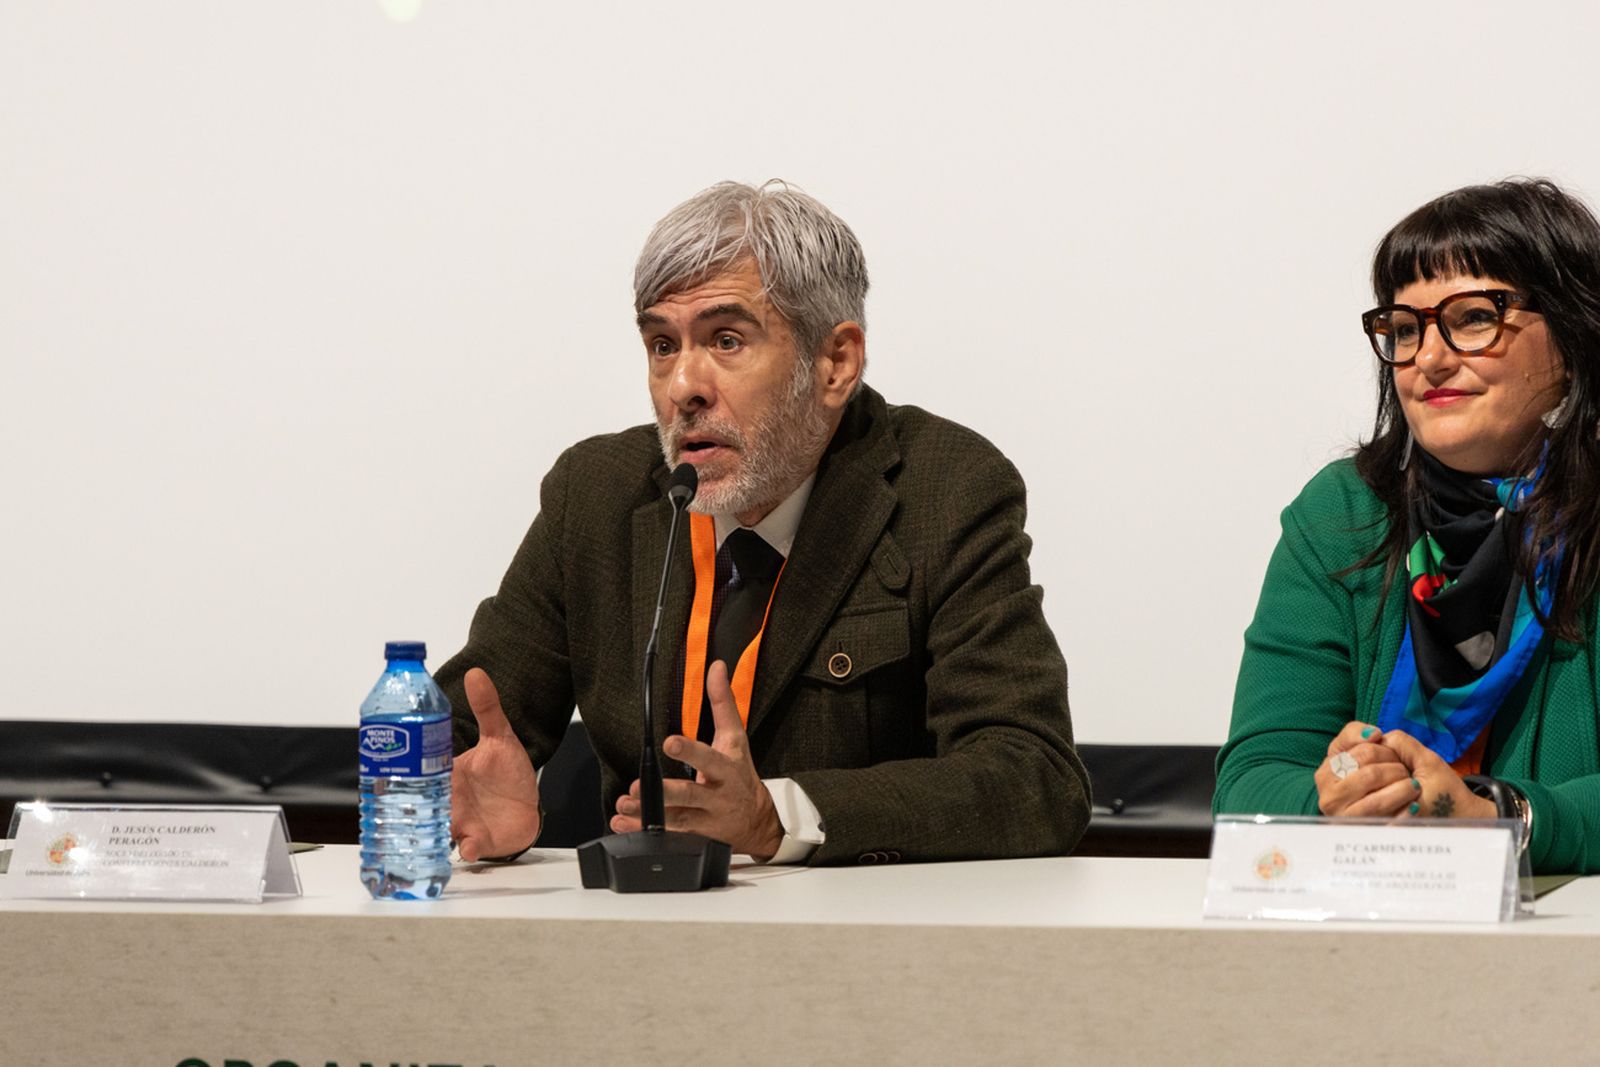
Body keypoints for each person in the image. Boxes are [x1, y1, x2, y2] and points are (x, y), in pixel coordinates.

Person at [439, 180, 1089, 866]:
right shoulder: (597, 495)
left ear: (835, 363)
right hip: (641, 920)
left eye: (726, 340)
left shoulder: (944, 490)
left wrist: (778, 816)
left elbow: (1035, 776)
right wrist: (453, 796)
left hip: (860, 922)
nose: (683, 386)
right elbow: (462, 731)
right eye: (662, 345)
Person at [1214, 178, 1600, 874]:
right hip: (1380, 916)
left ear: (1572, 337)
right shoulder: (1345, 511)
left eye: (1474, 318)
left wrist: (1504, 816)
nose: (1429, 358)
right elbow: (1253, 780)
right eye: (1404, 328)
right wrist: (1343, 797)